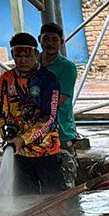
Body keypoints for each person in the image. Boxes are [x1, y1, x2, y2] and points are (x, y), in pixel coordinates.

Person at [0, 32, 63, 195]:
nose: (23, 60)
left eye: (27, 56)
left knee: (54, 199)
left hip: (46, 151)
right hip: (19, 154)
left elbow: (49, 118)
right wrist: (7, 136)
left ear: (36, 54)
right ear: (12, 55)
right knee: (24, 200)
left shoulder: (48, 79)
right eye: (18, 56)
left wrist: (22, 139)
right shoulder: (6, 79)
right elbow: (0, 113)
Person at [38, 22, 80, 188]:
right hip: (36, 135)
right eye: (46, 39)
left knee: (65, 182)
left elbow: (60, 99)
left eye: (54, 40)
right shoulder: (32, 65)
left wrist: (31, 113)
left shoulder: (67, 67)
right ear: (39, 40)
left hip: (60, 132)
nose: (50, 43)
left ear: (61, 42)